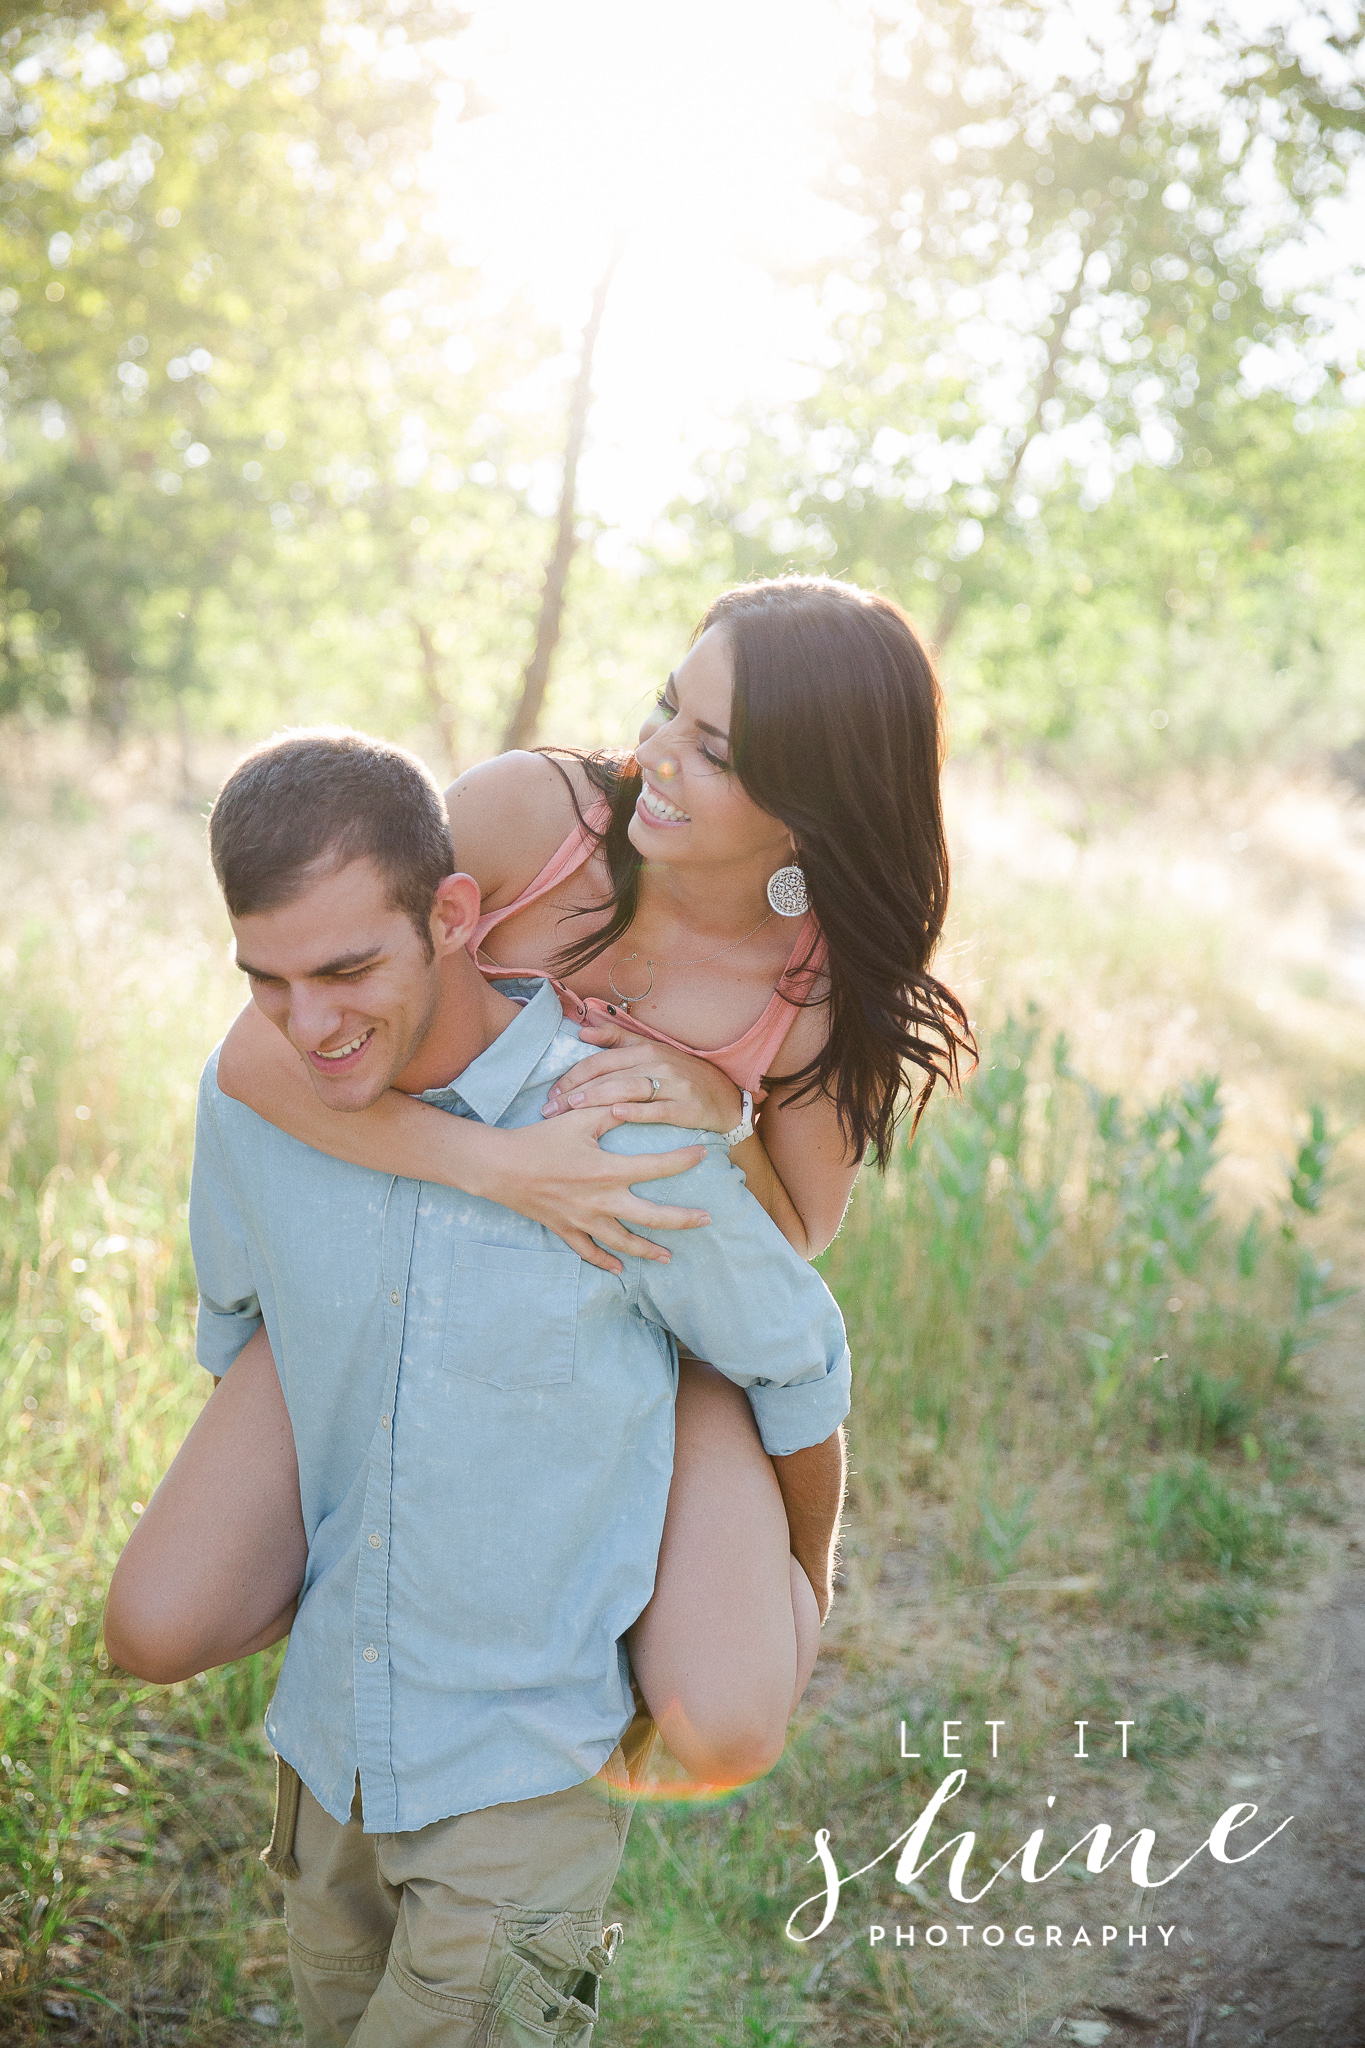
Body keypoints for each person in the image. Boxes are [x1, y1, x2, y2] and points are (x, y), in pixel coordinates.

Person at [105, 573, 971, 1783]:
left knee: (723, 1729)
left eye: (712, 748)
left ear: (810, 797)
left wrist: (722, 1114)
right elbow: (264, 1051)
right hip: (408, 1264)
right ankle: (426, 1618)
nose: (655, 753)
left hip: (646, 1324)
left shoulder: (817, 987)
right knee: (154, 1625)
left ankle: (592, 1660)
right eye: (668, 705)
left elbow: (789, 1248)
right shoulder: (533, 817)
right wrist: (508, 1169)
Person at [107, 727, 851, 2047]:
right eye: (268, 981)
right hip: (330, 1759)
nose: (312, 1023)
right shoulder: (256, 1104)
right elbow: (243, 1330)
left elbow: (798, 1351)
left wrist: (801, 1567)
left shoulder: (611, 1129)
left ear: (456, 915)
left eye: (347, 968)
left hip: (522, 1777)